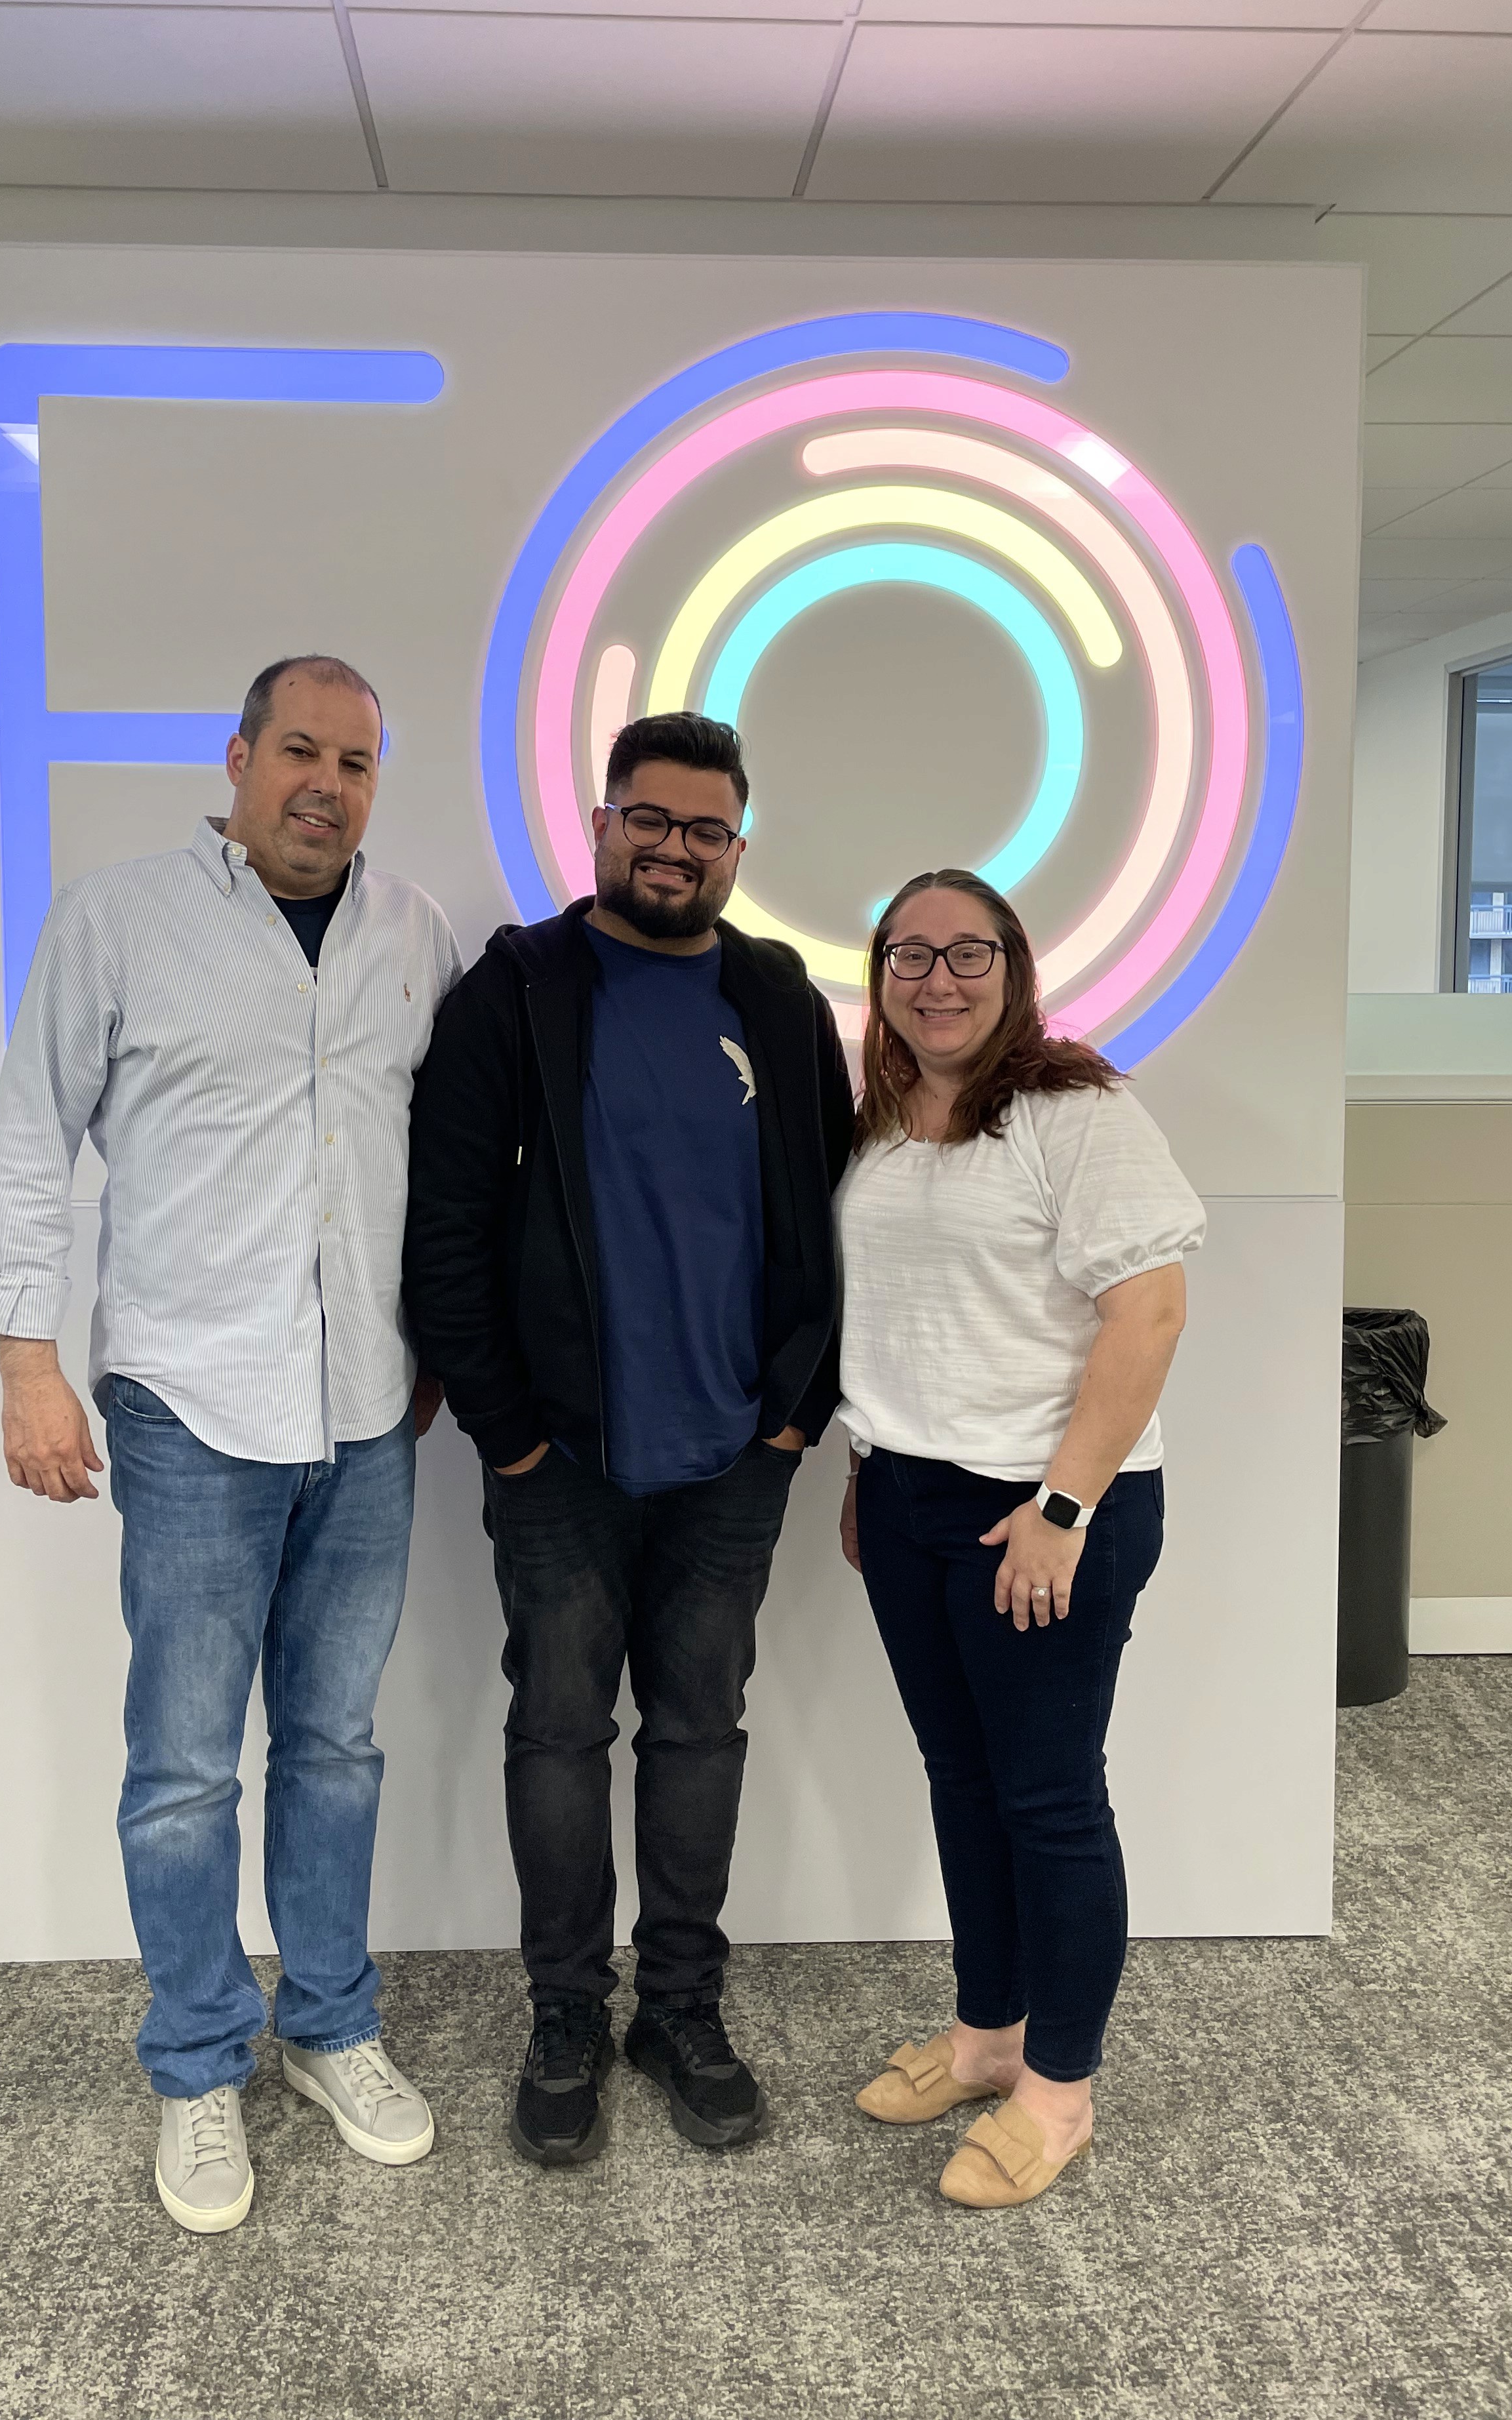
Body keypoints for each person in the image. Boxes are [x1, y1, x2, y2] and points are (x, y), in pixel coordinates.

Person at [0, 655, 461, 2235]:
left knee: (335, 1745)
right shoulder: (114, 921)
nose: (327, 785)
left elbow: (448, 1161)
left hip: (366, 1410)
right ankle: (194, 2062)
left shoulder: (414, 935)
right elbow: (31, 1138)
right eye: (300, 750)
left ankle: (329, 2026)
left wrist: (442, 1349)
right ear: (237, 758)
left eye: (356, 763)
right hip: (189, 1408)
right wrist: (27, 1364)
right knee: (181, 1766)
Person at [403, 712, 854, 2166]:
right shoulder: (517, 989)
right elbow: (446, 1227)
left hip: (736, 1457)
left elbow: (833, 1213)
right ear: (600, 826)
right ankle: (564, 2019)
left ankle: (680, 2011)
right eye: (648, 820)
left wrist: (799, 1414)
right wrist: (508, 1434)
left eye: (705, 830)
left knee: (701, 1730)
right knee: (558, 1731)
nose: (674, 849)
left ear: (738, 848)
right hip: (562, 1462)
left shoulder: (776, 998)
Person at [837, 869, 1204, 2209]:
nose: (937, 979)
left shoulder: (1075, 1113)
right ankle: (989, 2034)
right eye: (910, 955)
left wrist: (1062, 1510)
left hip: (1040, 1513)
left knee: (1048, 1801)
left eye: (967, 953)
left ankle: (1059, 2090)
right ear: (880, 975)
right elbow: (904, 1319)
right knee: (961, 1778)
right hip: (909, 1499)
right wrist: (870, 1468)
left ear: (1015, 966)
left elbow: (1149, 1315)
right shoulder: (884, 1123)